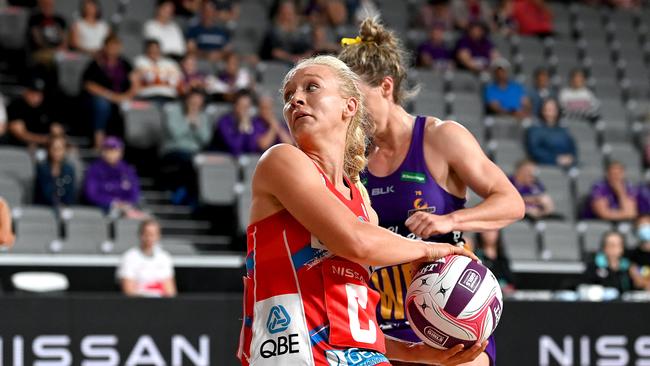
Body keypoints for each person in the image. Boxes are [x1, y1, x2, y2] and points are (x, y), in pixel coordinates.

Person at [237, 54, 484, 366]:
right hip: (294, 355)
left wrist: (413, 352)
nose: (295, 100)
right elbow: (357, 241)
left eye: (311, 88)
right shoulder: (281, 161)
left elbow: (353, 316)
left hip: (362, 358)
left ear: (349, 106)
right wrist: (432, 250)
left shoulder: (363, 205)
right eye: (288, 96)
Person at [339, 17, 525, 366]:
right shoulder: (353, 162)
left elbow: (512, 203)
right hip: (381, 331)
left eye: (358, 100)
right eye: (347, 105)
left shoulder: (440, 137)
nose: (353, 113)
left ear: (385, 86)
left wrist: (449, 219)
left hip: (449, 319)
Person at [82, 34, 138, 149]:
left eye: (116, 46)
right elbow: (89, 85)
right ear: (105, 47)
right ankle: (98, 141)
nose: (114, 49)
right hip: (103, 98)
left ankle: (128, 146)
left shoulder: (125, 63)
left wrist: (127, 96)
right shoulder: (97, 63)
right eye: (111, 46)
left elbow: (135, 82)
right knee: (101, 105)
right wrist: (111, 96)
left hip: (122, 98)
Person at [160, 89, 212, 205]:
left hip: (195, 153)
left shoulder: (203, 116)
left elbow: (205, 139)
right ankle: (182, 195)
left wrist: (197, 126)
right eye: (193, 101)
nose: (195, 105)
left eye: (198, 103)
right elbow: (175, 133)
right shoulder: (174, 110)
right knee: (188, 162)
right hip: (173, 150)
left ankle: (187, 195)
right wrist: (188, 119)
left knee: (198, 164)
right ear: (187, 100)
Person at [213, 90, 292, 156]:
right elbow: (237, 147)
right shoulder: (225, 122)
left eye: (246, 107)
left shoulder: (277, 123)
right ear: (235, 105)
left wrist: (275, 125)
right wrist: (273, 128)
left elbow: (290, 144)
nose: (244, 111)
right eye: (241, 106)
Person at [84, 136, 146, 218]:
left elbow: (135, 193)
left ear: (121, 152)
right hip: (103, 209)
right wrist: (112, 202)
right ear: (103, 152)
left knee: (143, 217)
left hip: (127, 208)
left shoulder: (127, 170)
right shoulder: (94, 169)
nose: (111, 153)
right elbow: (91, 194)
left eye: (114, 150)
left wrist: (125, 204)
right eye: (108, 150)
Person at [117, 219, 176, 297]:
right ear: (140, 235)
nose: (149, 238)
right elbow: (129, 291)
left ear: (158, 236)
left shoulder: (164, 257)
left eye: (153, 234)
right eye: (146, 234)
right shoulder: (129, 257)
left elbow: (170, 291)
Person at [6, 77, 64, 148]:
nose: (36, 96)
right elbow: (19, 133)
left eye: (39, 93)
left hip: (47, 148)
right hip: (19, 147)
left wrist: (57, 138)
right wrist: (44, 139)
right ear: (26, 92)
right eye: (33, 92)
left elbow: (57, 128)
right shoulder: (16, 105)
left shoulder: (47, 106)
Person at [525, 98, 577, 168]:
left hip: (567, 165)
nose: (549, 112)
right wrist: (556, 159)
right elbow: (535, 150)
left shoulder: (564, 130)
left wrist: (570, 158)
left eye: (552, 109)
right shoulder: (534, 130)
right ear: (542, 111)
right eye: (547, 109)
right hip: (544, 165)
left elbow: (572, 147)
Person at [34, 135, 76, 207]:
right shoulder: (43, 169)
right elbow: (44, 192)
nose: (57, 152)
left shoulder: (69, 169)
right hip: (43, 208)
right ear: (49, 149)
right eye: (54, 148)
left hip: (65, 207)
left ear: (64, 150)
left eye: (60, 149)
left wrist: (65, 204)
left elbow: (70, 192)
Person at [28, 0, 68, 67]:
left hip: (59, 52)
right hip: (41, 51)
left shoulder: (59, 19)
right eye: (45, 4)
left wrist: (62, 48)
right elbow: (38, 40)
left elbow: (64, 39)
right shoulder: (34, 19)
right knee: (58, 59)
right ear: (40, 4)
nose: (48, 6)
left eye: (50, 4)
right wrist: (53, 50)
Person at [630, 215, 650, 290]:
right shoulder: (633, 254)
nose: (645, 228)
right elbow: (637, 282)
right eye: (642, 225)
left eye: (648, 224)